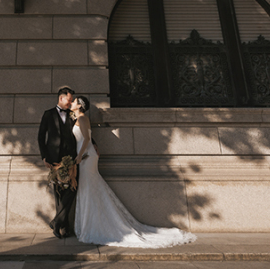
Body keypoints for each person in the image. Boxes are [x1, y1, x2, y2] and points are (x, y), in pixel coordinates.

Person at [70, 95, 196, 248]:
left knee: (89, 188)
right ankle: (88, 225)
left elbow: (87, 139)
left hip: (86, 157)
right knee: (87, 188)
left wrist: (79, 156)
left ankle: (94, 226)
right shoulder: (78, 118)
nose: (72, 102)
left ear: (80, 106)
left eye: (74, 101)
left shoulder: (83, 118)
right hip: (85, 156)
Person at [37, 86, 78, 239]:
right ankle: (63, 227)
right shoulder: (48, 114)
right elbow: (41, 137)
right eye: (69, 99)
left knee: (72, 189)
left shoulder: (73, 115)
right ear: (61, 98)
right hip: (54, 159)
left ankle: (56, 222)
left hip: (71, 158)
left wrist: (92, 143)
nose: (71, 102)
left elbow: (81, 132)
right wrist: (44, 157)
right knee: (58, 193)